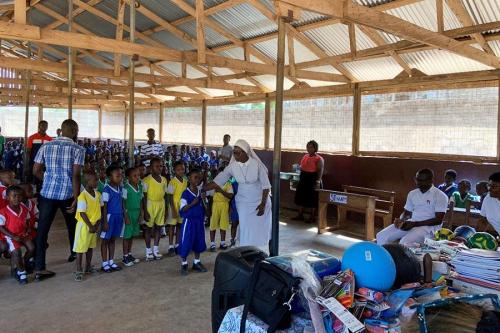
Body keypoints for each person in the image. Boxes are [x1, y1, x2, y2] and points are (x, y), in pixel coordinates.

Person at [33, 119, 85, 281]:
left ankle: (39, 267)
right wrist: (77, 198)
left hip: (47, 194)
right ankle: (74, 253)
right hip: (68, 194)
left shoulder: (46, 146)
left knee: (42, 230)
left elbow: (35, 170)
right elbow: (76, 175)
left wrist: (48, 179)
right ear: (74, 130)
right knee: (73, 225)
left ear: (61, 130)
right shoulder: (77, 149)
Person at [205, 139, 272, 250]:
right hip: (243, 202)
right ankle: (246, 248)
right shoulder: (233, 167)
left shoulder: (257, 165)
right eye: (234, 153)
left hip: (260, 202)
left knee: (259, 228)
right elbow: (219, 180)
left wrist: (263, 204)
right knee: (245, 226)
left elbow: (266, 186)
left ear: (245, 152)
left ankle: (260, 249)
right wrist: (202, 188)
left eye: (237, 153)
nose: (235, 155)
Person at [376, 169, 448, 246]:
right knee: (381, 235)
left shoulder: (440, 195)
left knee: (404, 242)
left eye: (422, 180)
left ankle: (408, 255)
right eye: (417, 180)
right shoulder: (412, 193)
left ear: (431, 180)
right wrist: (401, 220)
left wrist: (415, 224)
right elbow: (407, 213)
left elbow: (438, 220)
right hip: (411, 223)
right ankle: (385, 257)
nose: (418, 183)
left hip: (428, 228)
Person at [0, 185, 35, 284]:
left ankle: (24, 261)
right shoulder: (3, 211)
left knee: (32, 248)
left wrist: (28, 229)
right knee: (16, 252)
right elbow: (1, 227)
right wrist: (12, 236)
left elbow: (27, 220)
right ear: (7, 198)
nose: (17, 198)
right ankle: (21, 272)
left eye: (19, 196)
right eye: (14, 196)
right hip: (11, 236)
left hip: (23, 234)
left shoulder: (24, 209)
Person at [73, 172, 102, 281]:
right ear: (87, 182)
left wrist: (97, 224)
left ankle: (88, 266)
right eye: (95, 180)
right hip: (84, 226)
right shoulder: (82, 196)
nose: (97, 182)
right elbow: (82, 213)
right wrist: (90, 226)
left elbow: (100, 209)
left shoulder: (98, 194)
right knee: (80, 249)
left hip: (94, 225)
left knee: (90, 247)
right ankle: (79, 270)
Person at [179, 168, 208, 276]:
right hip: (189, 222)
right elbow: (182, 209)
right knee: (186, 241)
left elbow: (207, 211)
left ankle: (196, 262)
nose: (197, 180)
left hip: (199, 222)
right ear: (189, 179)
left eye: (199, 178)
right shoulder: (185, 193)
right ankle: (184, 263)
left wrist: (204, 201)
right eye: (195, 177)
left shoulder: (201, 193)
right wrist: (193, 203)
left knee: (198, 241)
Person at [100, 165, 124, 273]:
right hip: (109, 217)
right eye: (117, 176)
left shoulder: (121, 188)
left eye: (121, 175)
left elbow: (122, 203)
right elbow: (104, 207)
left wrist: (124, 215)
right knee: (105, 240)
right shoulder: (106, 189)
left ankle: (111, 261)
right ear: (110, 177)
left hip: (118, 217)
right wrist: (104, 222)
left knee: (113, 239)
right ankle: (104, 263)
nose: (120, 177)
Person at [292, 140, 324, 224]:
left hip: (312, 179)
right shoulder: (305, 156)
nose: (309, 149)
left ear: (315, 148)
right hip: (303, 178)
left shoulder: (319, 158)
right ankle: (300, 214)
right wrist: (298, 167)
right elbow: (302, 166)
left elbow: (320, 171)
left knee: (312, 198)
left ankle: (312, 217)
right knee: (301, 196)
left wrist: (317, 182)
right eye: (308, 147)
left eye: (311, 147)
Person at [142, 157, 167, 261]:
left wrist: (165, 210)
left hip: (161, 204)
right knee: (148, 229)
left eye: (161, 166)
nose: (159, 168)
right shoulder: (146, 180)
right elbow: (144, 196)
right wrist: (145, 211)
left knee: (159, 228)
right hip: (150, 205)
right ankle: (148, 251)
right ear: (151, 168)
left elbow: (165, 195)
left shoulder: (164, 180)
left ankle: (156, 250)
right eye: (157, 166)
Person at [122, 167, 143, 266]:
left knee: (131, 236)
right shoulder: (126, 188)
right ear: (128, 178)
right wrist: (125, 216)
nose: (137, 177)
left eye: (138, 175)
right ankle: (125, 256)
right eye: (134, 176)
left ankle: (129, 254)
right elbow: (123, 203)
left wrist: (141, 214)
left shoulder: (140, 187)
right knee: (127, 236)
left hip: (136, 213)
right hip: (129, 213)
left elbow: (141, 201)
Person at [208, 169, 233, 251]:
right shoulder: (213, 184)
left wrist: (221, 191)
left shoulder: (228, 184)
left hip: (224, 206)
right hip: (215, 205)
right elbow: (210, 196)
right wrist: (209, 209)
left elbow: (230, 196)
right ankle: (212, 244)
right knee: (213, 225)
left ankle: (222, 242)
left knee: (223, 225)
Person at [166, 161, 188, 256]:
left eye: (182, 169)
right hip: (173, 206)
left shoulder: (186, 181)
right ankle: (170, 246)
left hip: (182, 206)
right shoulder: (172, 181)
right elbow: (170, 196)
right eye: (178, 170)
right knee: (172, 226)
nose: (181, 171)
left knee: (179, 225)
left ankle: (177, 244)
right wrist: (173, 209)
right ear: (174, 171)